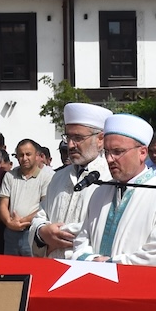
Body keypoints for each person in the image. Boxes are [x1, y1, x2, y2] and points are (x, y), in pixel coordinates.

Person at [64, 113, 156, 267]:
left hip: (142, 288)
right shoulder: (100, 192)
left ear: (142, 153)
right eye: (106, 152)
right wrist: (91, 260)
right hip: (95, 285)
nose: (109, 159)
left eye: (117, 152)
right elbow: (82, 240)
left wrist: (111, 263)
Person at [32, 103, 111, 257]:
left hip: (88, 268)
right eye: (68, 137)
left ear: (100, 139)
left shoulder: (110, 178)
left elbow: (103, 228)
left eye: (78, 138)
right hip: (53, 266)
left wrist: (58, 234)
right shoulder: (58, 177)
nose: (70, 145)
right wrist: (42, 232)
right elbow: (41, 216)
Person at [0, 138, 52, 258]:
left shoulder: (46, 177)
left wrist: (21, 222)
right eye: (21, 155)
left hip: (32, 231)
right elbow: (3, 204)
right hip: (11, 232)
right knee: (11, 272)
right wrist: (9, 222)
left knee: (33, 270)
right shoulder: (9, 176)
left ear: (37, 155)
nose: (24, 158)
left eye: (28, 154)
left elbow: (45, 207)